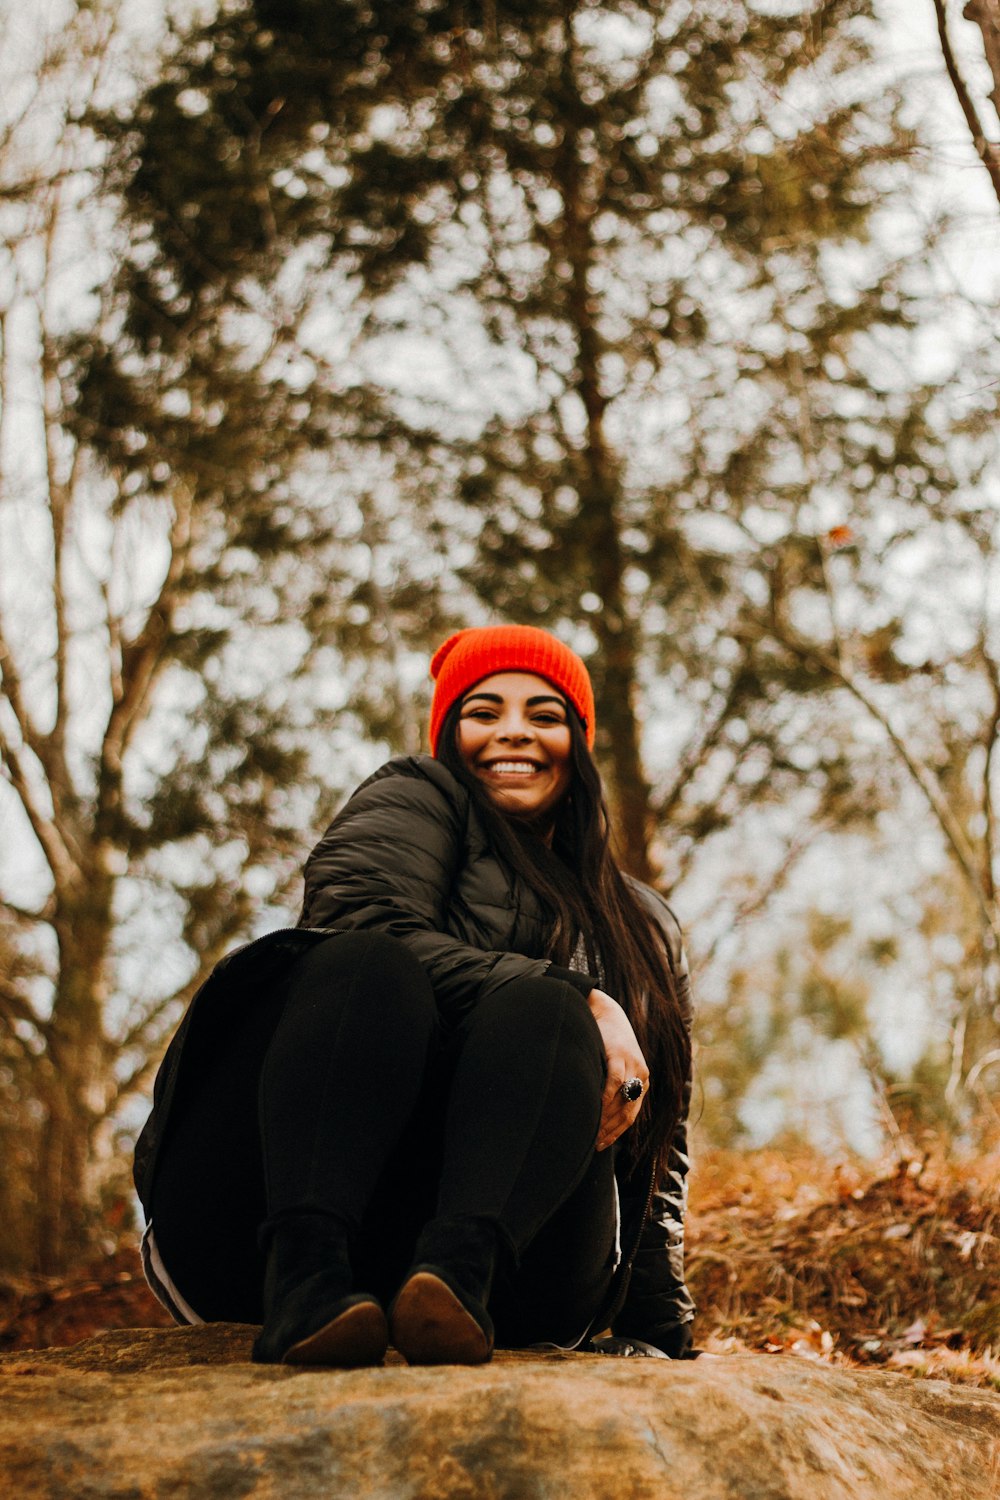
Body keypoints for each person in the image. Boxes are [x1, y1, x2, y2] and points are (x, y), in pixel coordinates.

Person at [134, 624, 696, 1367]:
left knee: (545, 1014)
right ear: (446, 733)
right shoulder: (418, 797)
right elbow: (353, 918)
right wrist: (585, 997)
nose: (515, 734)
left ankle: (454, 1286)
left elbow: (660, 1141)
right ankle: (307, 1279)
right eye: (484, 712)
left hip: (523, 1266)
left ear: (579, 741)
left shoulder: (645, 925)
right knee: (367, 960)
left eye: (545, 715)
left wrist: (662, 1331)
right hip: (316, 1199)